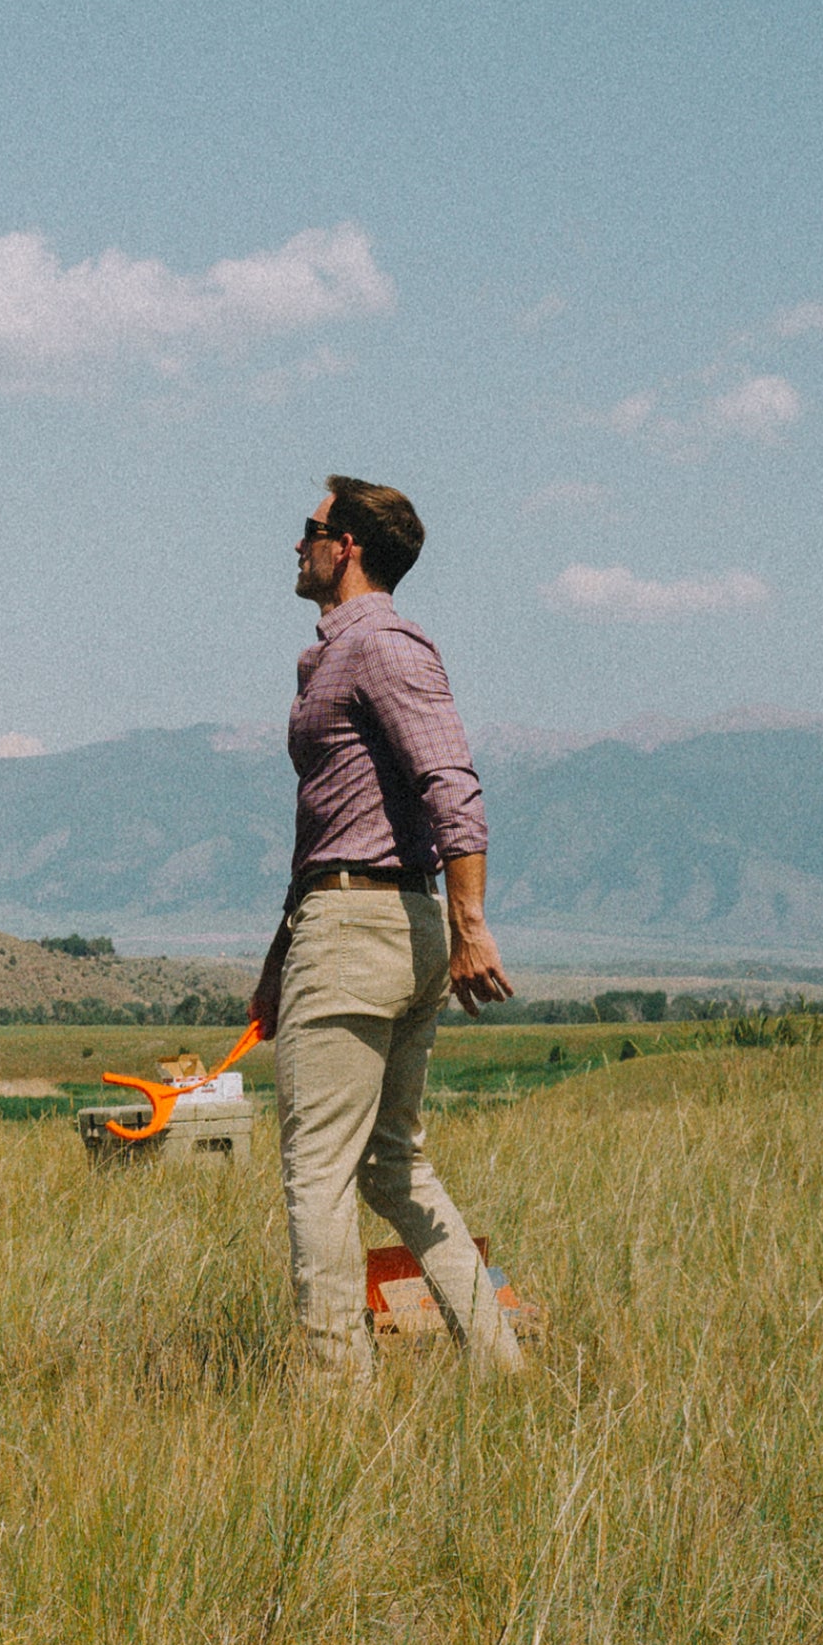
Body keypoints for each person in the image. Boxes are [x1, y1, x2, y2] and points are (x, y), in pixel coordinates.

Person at [264, 475, 532, 1383]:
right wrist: (279, 958)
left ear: (348, 548)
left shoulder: (383, 642)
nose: (295, 543)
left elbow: (450, 779)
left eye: (309, 528)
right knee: (390, 1166)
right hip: (366, 921)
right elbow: (328, 825)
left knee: (319, 1169)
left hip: (366, 928)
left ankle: (337, 1399)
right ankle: (501, 1366)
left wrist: (472, 923)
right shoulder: (351, 650)